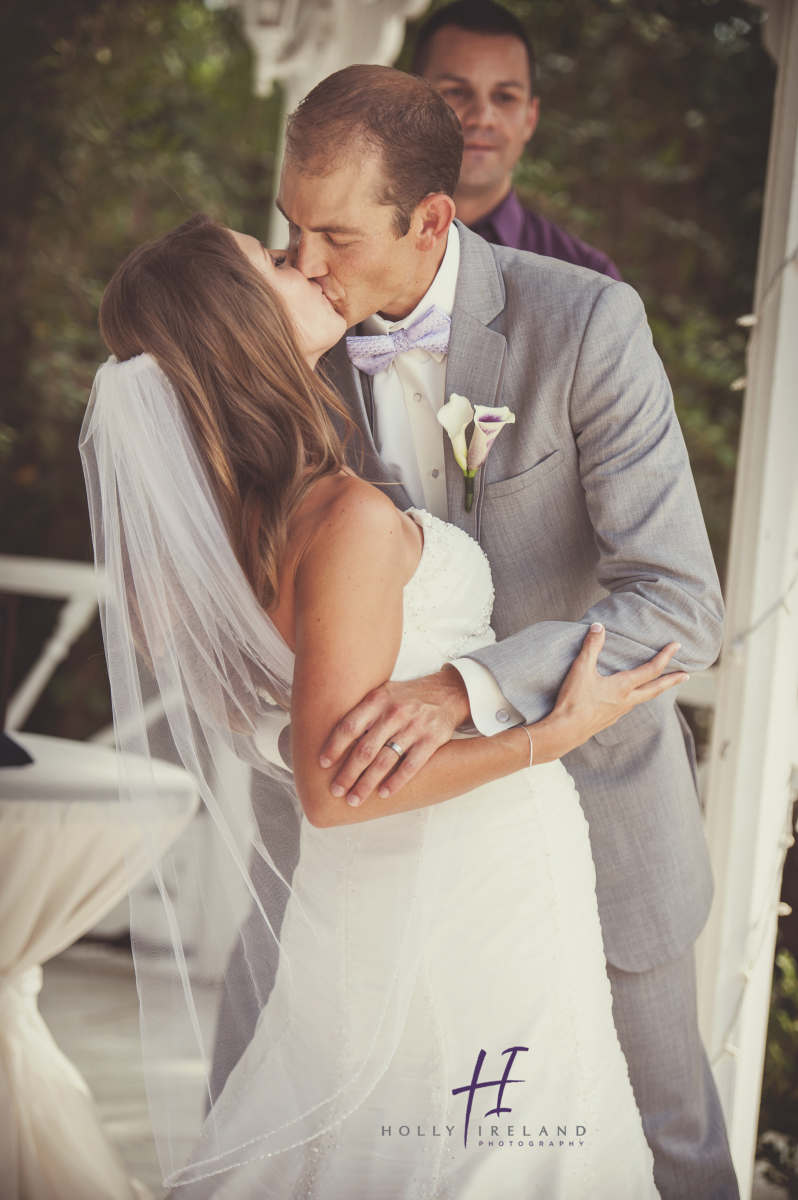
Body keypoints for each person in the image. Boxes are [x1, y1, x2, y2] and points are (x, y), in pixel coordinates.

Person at [83, 213, 679, 1196]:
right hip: (470, 886)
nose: (307, 263)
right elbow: (333, 789)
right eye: (276, 263)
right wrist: (548, 737)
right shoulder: (343, 521)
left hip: (359, 900)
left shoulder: (233, 542)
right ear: (236, 328)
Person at [273, 65, 738, 1199]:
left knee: (660, 1144)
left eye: (333, 235)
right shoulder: (289, 340)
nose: (302, 264)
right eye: (291, 229)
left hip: (595, 813)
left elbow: (679, 604)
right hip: (399, 840)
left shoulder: (584, 321)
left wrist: (465, 688)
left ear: (431, 221)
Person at [412, 0, 621, 280]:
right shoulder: (355, 240)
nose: (483, 117)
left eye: (504, 97)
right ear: (410, 105)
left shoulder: (587, 281)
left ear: (530, 118)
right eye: (456, 92)